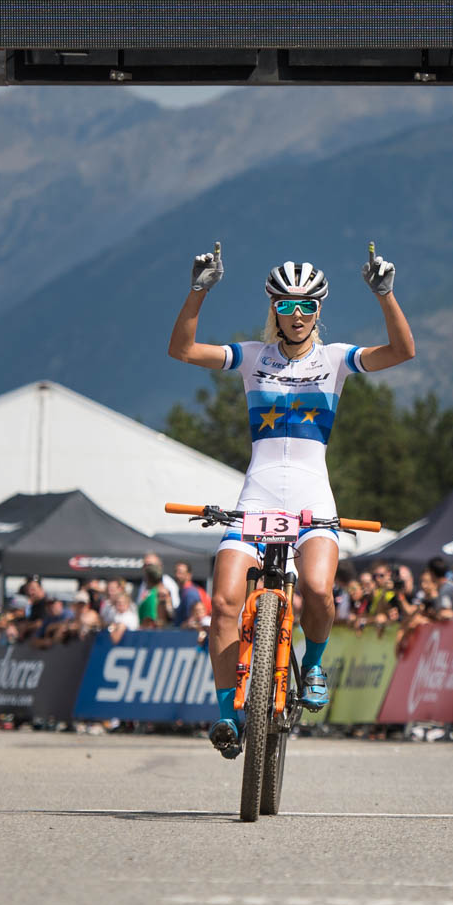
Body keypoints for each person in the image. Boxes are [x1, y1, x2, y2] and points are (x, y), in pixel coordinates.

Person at [166, 243, 414, 758]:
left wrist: (385, 296)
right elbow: (184, 351)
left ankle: (315, 663)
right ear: (274, 310)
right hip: (255, 498)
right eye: (286, 305)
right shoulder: (251, 357)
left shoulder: (336, 359)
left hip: (311, 499)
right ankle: (227, 716)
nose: (296, 315)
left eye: (306, 306)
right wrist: (198, 290)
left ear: (318, 310)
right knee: (226, 607)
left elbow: (402, 352)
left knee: (320, 592)